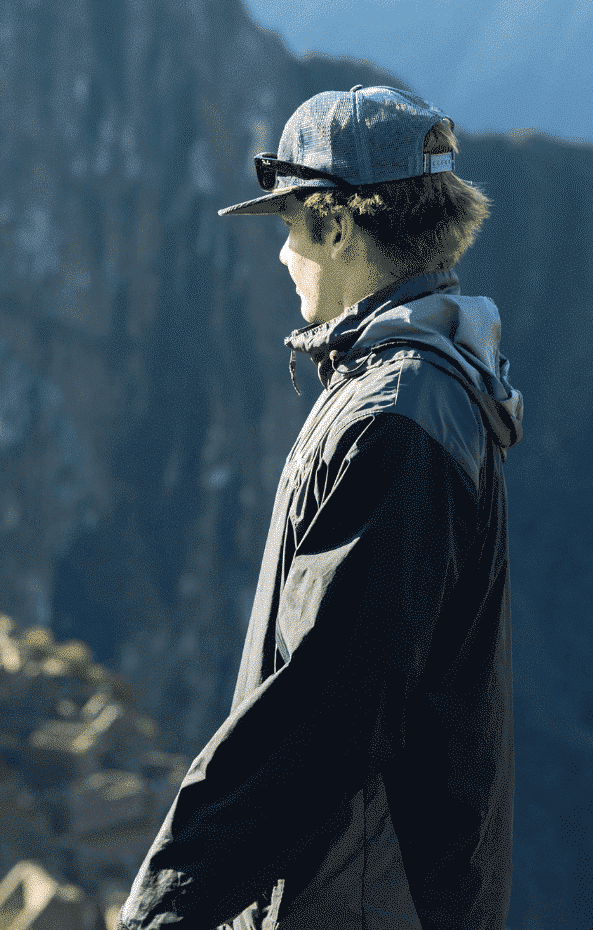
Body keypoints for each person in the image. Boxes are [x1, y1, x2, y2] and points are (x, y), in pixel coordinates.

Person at [119, 86, 523, 930]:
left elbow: (328, 705)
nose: (282, 255)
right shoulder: (416, 385)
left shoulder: (396, 418)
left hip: (365, 900)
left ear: (337, 225)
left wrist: (166, 908)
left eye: (290, 224)